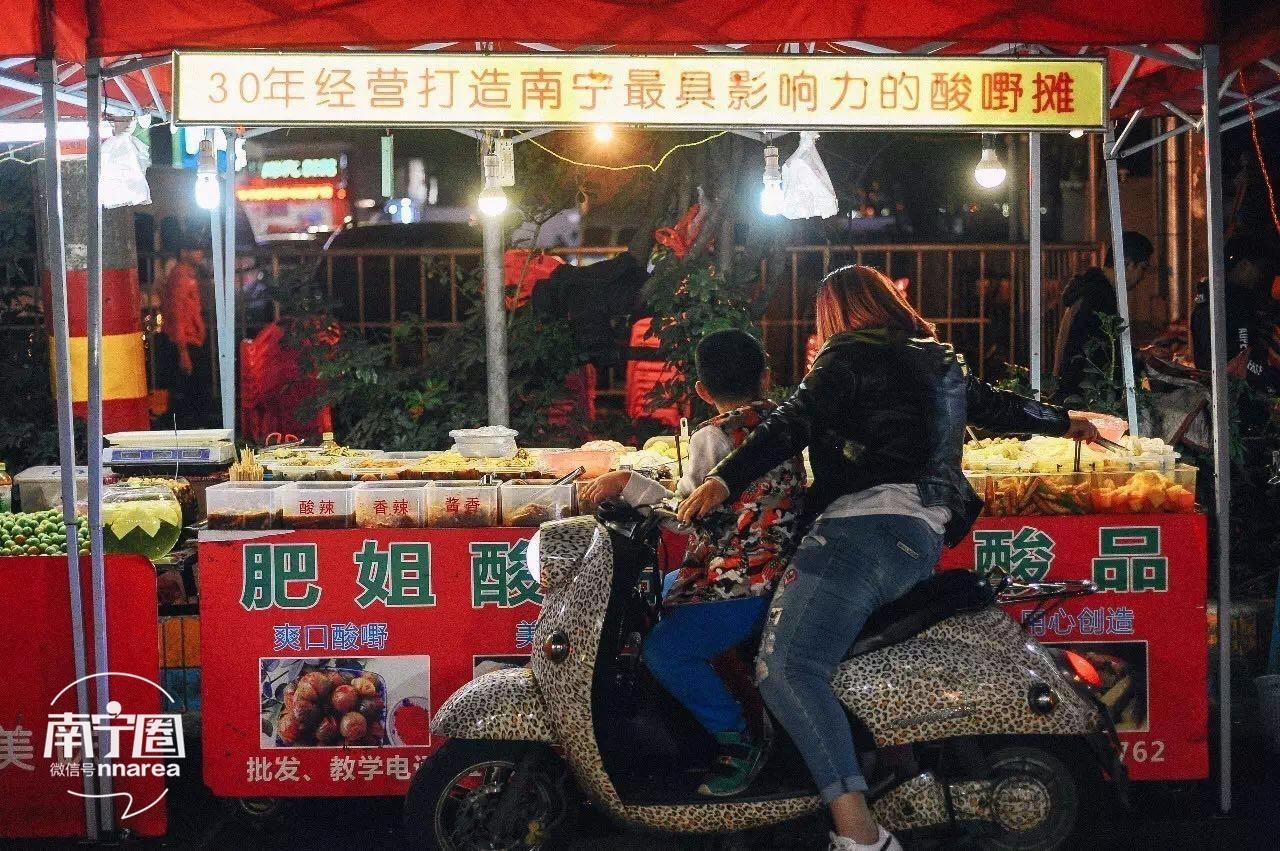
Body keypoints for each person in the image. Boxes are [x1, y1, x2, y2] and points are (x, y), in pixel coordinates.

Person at [678, 266, 1097, 851]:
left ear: (836, 315)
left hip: (861, 529)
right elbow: (996, 407)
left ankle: (861, 834)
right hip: (921, 533)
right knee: (826, 662)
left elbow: (791, 423)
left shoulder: (845, 353)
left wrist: (723, 480)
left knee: (788, 669)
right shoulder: (939, 360)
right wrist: (1066, 419)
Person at [583, 329, 805, 798]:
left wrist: (629, 482)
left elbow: (686, 515)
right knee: (659, 591)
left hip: (742, 579)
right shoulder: (784, 424)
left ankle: (738, 740)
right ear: (765, 378)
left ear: (702, 390)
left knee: (665, 650)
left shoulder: (714, 435)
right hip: (776, 569)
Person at [1053, 231, 1154, 401]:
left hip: (1071, 390)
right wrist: (1138, 357)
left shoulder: (1091, 288)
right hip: (1084, 396)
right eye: (1142, 268)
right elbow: (1101, 354)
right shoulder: (1099, 297)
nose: (1142, 277)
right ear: (1127, 263)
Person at [1190, 237, 1280, 392]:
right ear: (1244, 265)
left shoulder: (1233, 300)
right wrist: (1269, 378)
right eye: (1260, 268)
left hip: (1233, 390)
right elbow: (1235, 359)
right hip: (1232, 397)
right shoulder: (1224, 304)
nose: (1262, 276)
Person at [154, 233, 212, 426]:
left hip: (191, 340)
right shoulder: (181, 276)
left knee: (191, 394)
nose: (200, 253)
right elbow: (177, 314)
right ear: (184, 252)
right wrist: (183, 351)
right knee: (192, 395)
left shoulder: (186, 275)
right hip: (186, 342)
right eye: (196, 249)